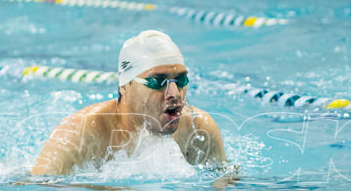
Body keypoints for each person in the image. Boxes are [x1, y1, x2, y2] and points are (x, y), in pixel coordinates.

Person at [31, 30, 225, 176]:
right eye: (157, 81)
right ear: (125, 85)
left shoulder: (198, 130)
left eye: (180, 81)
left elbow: (224, 190)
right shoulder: (80, 133)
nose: (174, 94)